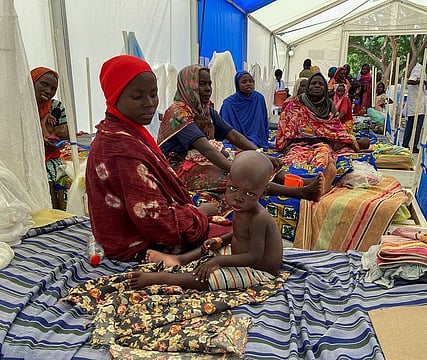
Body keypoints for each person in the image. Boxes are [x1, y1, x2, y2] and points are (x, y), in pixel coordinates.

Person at [86, 55, 230, 262]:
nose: (150, 103)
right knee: (241, 237)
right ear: (114, 97)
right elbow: (158, 223)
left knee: (239, 228)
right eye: (138, 97)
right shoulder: (122, 149)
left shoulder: (125, 133)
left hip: (132, 231)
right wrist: (198, 214)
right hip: (136, 242)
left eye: (154, 94)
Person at [159, 65, 325, 203]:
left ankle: (301, 182)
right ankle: (301, 193)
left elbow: (233, 134)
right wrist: (238, 169)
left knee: (251, 161)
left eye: (209, 83)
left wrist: (261, 156)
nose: (208, 88)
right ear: (189, 85)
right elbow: (206, 149)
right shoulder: (178, 113)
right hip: (177, 168)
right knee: (239, 178)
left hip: (200, 157)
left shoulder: (205, 109)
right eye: (202, 84)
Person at [128, 150, 283, 291]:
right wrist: (220, 240)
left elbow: (254, 256)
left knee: (207, 277)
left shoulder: (258, 218)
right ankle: (179, 259)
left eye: (249, 194)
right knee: (208, 246)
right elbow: (239, 233)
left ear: (263, 193)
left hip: (257, 270)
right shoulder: (242, 208)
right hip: (240, 256)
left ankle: (159, 279)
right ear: (227, 182)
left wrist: (220, 262)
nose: (238, 198)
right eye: (233, 189)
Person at [276, 72, 366, 186]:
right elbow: (284, 127)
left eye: (320, 84)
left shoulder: (329, 105)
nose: (317, 86)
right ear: (308, 87)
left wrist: (349, 142)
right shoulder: (295, 104)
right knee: (293, 161)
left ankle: (317, 182)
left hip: (321, 144)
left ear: (325, 88)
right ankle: (301, 182)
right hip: (298, 144)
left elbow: (336, 129)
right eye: (313, 83)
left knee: (323, 159)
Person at [31, 67, 69, 209]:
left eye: (53, 88)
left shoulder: (56, 106)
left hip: (50, 155)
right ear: (32, 82)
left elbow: (66, 134)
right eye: (44, 84)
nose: (48, 91)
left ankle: (53, 214)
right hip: (26, 157)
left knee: (51, 175)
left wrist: (55, 142)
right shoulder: (19, 106)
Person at [220, 71, 269, 149]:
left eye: (251, 81)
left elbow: (264, 120)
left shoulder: (259, 98)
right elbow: (224, 127)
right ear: (237, 85)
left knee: (253, 145)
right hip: (234, 138)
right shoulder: (228, 103)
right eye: (244, 82)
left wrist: (264, 137)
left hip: (256, 138)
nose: (248, 84)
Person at [402, 58, 427, 153]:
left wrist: (424, 83)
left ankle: (407, 144)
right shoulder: (418, 69)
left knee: (411, 126)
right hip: (416, 105)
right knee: (415, 127)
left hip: (417, 104)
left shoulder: (420, 70)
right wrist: (421, 81)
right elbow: (410, 81)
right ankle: (411, 146)